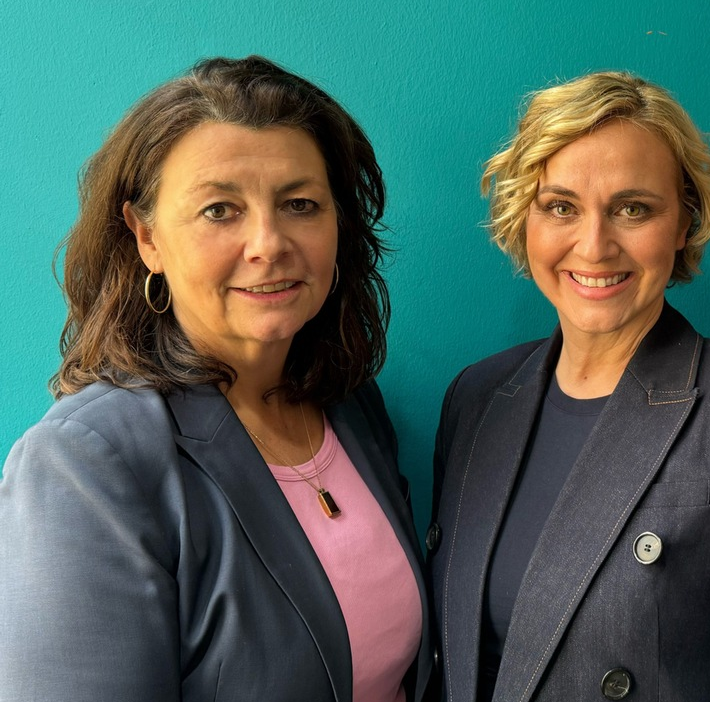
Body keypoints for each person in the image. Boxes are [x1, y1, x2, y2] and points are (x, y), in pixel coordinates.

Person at [0, 56, 433, 702]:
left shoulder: (351, 407)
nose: (268, 243)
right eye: (220, 210)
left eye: (300, 204)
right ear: (146, 238)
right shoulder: (84, 466)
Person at [429, 72, 710, 702]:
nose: (594, 246)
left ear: (684, 223)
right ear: (524, 219)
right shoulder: (477, 398)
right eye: (561, 206)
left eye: (633, 209)